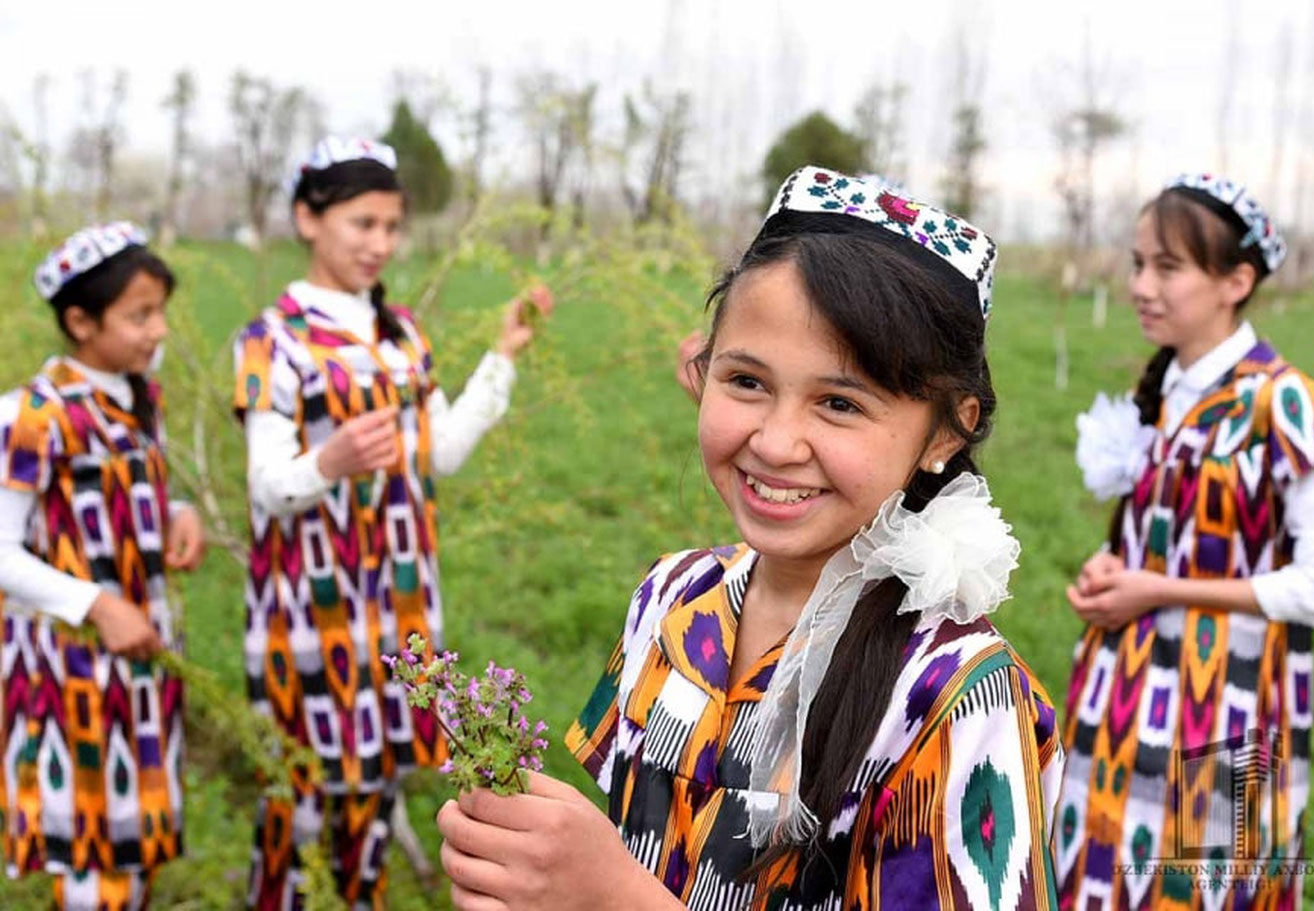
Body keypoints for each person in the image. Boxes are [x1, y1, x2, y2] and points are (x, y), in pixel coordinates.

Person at [435, 167, 1062, 910]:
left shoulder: (956, 696)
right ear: (701, 371)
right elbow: (637, 843)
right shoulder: (670, 598)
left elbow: (622, 882)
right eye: (747, 382)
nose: (775, 440)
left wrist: (612, 896)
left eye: (838, 402)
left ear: (946, 432)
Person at [233, 136, 552, 909]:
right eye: (361, 223)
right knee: (302, 789)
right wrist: (330, 462)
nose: (380, 244)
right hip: (311, 606)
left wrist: (502, 356)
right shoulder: (270, 340)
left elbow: (436, 453)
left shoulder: (401, 333)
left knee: (374, 780)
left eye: (391, 226)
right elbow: (269, 484)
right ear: (309, 218)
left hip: (399, 601)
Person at [1059, 173, 1314, 909]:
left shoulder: (1282, 399)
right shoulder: (1165, 386)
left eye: (1168, 267)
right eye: (1137, 263)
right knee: (1096, 867)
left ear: (1237, 279)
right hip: (1122, 690)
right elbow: (1172, 529)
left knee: (1199, 882)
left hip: (1228, 700)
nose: (1141, 285)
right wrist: (1117, 565)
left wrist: (1160, 588)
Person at [0, 222, 207, 909]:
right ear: (80, 321)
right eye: (139, 315)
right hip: (71, 668)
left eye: (160, 312)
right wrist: (96, 603)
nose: (158, 331)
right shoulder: (33, 414)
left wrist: (179, 512)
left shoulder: (140, 393)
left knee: (132, 838)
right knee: (90, 847)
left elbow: (151, 482)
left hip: (140, 655)